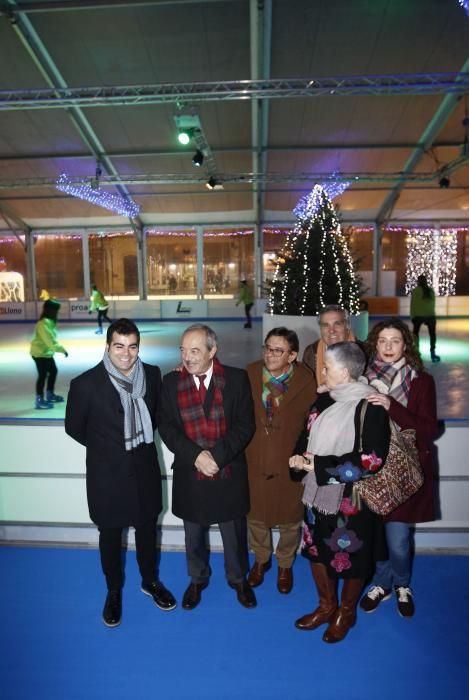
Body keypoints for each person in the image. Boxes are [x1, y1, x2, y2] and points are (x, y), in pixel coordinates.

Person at [65, 318, 176, 628]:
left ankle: (149, 581)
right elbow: (74, 428)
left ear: (138, 347)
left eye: (132, 347)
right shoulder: (85, 384)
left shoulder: (152, 375)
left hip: (144, 471)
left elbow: (155, 418)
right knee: (110, 536)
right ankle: (113, 590)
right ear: (108, 346)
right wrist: (109, 449)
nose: (126, 354)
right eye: (119, 346)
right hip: (107, 476)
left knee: (146, 530)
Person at [289, 341, 390, 643]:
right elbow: (304, 436)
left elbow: (372, 460)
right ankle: (325, 606)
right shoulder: (322, 402)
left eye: (327, 367)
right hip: (315, 496)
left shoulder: (370, 407)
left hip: (352, 501)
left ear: (344, 372)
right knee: (316, 550)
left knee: (351, 557)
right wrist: (298, 459)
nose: (322, 371)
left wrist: (318, 466)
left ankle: (346, 611)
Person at [159, 324, 256, 610]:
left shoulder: (237, 379)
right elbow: (167, 427)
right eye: (183, 350)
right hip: (191, 473)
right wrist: (196, 457)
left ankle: (239, 579)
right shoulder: (171, 382)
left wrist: (216, 457)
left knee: (234, 532)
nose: (187, 357)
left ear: (213, 351)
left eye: (195, 351)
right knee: (194, 534)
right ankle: (198, 578)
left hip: (227, 470)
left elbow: (245, 425)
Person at [359, 318, 437, 618]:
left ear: (406, 345)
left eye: (395, 341)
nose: (389, 347)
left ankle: (402, 583)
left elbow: (429, 430)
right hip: (372, 471)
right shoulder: (362, 379)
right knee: (377, 538)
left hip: (405, 473)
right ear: (374, 344)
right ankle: (382, 584)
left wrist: (393, 406)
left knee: (399, 541)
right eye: (382, 341)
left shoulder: (420, 381)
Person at [245, 327, 317, 594]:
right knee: (256, 518)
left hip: (290, 462)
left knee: (289, 521)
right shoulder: (250, 373)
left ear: (292, 355)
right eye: (268, 347)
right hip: (255, 458)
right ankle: (261, 559)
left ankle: (285, 563)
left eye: (278, 350)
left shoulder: (306, 382)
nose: (270, 354)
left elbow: (313, 424)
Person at [30, 299, 68, 409]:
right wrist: (62, 350)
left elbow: (51, 340)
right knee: (42, 375)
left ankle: (49, 394)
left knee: (53, 371)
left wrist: (58, 349)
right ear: (50, 310)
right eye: (56, 310)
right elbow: (50, 341)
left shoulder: (50, 321)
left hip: (47, 353)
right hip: (39, 354)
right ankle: (39, 399)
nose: (57, 313)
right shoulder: (43, 324)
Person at [302, 305, 357, 380]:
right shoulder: (311, 352)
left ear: (347, 327)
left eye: (337, 324)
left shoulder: (363, 351)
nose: (331, 330)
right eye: (325, 325)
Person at [410, 274, 440, 362]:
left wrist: (412, 316)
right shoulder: (431, 290)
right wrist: (431, 315)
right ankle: (433, 353)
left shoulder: (415, 291)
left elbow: (413, 304)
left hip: (418, 316)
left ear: (418, 282)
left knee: (415, 334)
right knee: (432, 334)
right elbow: (432, 304)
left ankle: (416, 352)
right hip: (430, 315)